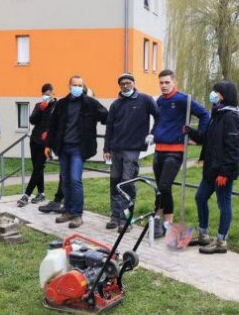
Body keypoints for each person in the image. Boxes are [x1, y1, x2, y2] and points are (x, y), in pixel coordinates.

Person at [151, 69, 210, 238]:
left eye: (167, 82)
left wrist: (198, 137)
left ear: (174, 82)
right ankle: (161, 220)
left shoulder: (184, 100)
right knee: (161, 188)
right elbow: (159, 120)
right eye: (161, 82)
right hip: (159, 150)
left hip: (175, 151)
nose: (163, 85)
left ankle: (163, 220)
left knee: (164, 186)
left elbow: (204, 115)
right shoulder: (160, 101)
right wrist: (152, 133)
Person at [187, 81, 239, 253]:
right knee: (200, 197)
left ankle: (221, 242)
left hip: (222, 172)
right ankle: (203, 235)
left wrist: (225, 173)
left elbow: (232, 148)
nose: (213, 94)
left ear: (225, 95)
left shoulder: (231, 117)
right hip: (211, 169)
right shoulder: (217, 115)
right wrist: (190, 131)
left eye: (216, 92)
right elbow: (207, 139)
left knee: (223, 204)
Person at [45, 75, 108, 228]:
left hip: (79, 149)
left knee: (74, 179)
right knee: (65, 180)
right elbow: (52, 126)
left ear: (83, 87)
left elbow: (106, 116)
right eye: (75, 85)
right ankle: (67, 210)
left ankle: (77, 214)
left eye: (80, 85)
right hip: (63, 147)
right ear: (69, 86)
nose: (77, 87)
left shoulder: (90, 103)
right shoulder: (61, 104)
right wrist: (48, 145)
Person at [103, 73, 159, 233]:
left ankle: (126, 220)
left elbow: (159, 115)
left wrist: (153, 133)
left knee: (127, 183)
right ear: (119, 86)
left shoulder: (145, 100)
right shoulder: (116, 104)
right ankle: (115, 217)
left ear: (134, 83)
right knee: (115, 183)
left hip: (133, 149)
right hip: (115, 149)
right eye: (122, 84)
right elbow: (109, 127)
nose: (125, 86)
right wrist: (106, 148)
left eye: (128, 83)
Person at [18, 83, 56, 207]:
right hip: (34, 141)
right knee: (37, 169)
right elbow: (32, 120)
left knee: (38, 168)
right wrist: (41, 108)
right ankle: (41, 193)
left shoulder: (57, 106)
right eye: (44, 94)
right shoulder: (39, 106)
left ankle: (26, 195)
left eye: (48, 94)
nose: (46, 96)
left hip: (47, 144)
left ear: (52, 93)